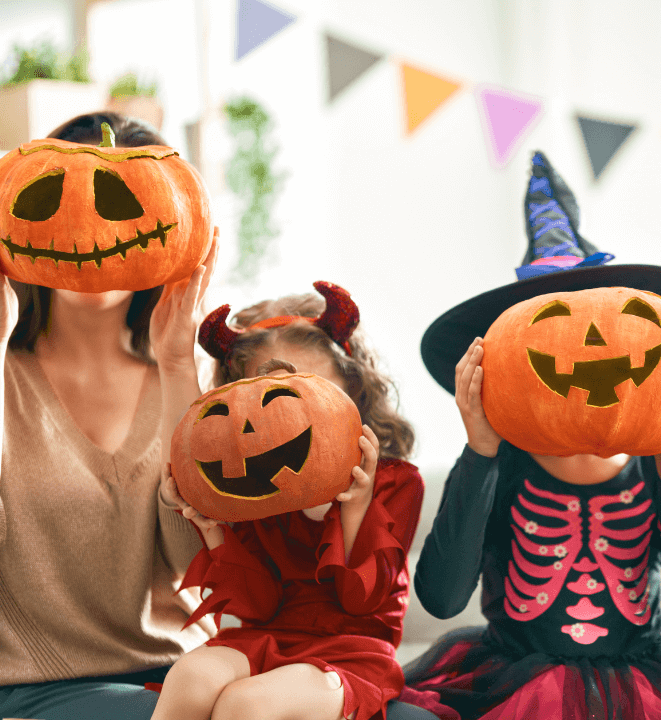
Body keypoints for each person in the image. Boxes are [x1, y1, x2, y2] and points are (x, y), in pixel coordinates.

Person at [403, 152, 661, 720]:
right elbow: (441, 598)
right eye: (552, 328)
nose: (586, 351)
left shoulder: (658, 472)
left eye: (613, 325)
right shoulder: (502, 469)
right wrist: (481, 450)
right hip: (508, 677)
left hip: (641, 680)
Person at [0, 111, 217, 720]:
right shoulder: (5, 375)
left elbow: (197, 566)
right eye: (55, 199)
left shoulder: (187, 376)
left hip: (184, 676)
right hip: (37, 685)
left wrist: (178, 365)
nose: (87, 226)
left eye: (121, 202)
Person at [151, 281, 431, 720]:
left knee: (247, 704)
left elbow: (364, 604)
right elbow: (256, 606)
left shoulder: (395, 483)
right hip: (266, 635)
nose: (291, 415)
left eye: (306, 390)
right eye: (269, 399)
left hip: (351, 651)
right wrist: (212, 525)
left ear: (351, 389)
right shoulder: (253, 491)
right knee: (190, 676)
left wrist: (354, 506)